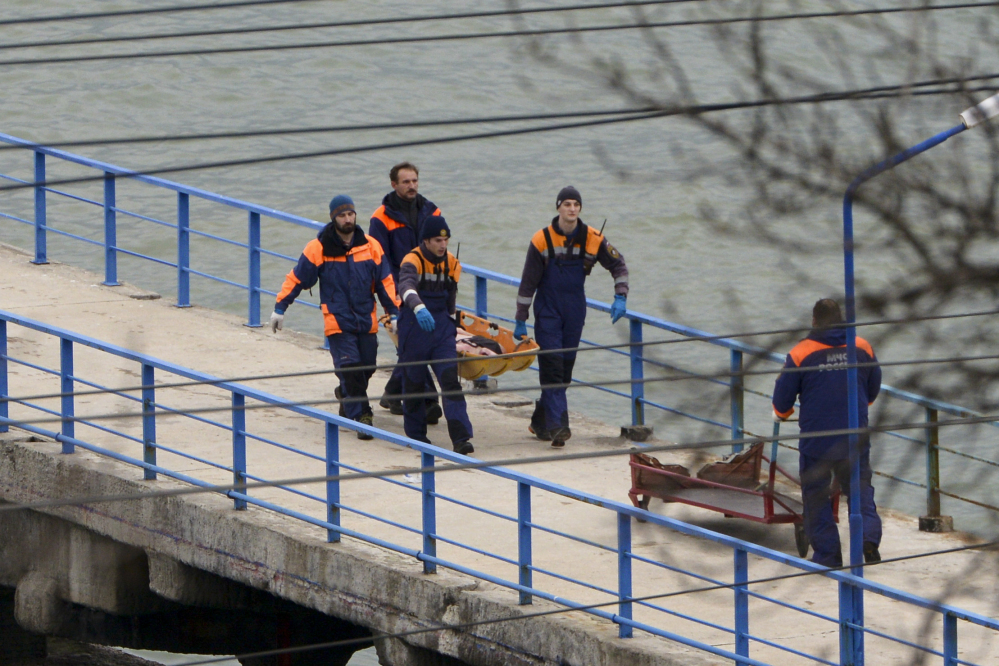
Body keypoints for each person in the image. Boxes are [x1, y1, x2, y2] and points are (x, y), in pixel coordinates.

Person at [270, 195, 400, 440]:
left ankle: (346, 394)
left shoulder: (371, 246)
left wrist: (393, 312)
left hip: (366, 318)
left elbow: (385, 282)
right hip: (337, 320)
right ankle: (363, 417)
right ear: (333, 218)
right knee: (350, 368)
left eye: (350, 214)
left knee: (368, 366)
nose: (347, 219)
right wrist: (280, 307)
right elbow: (297, 278)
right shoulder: (318, 248)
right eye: (342, 215)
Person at [513, 186, 629, 447]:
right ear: (558, 207)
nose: (572, 209)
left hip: (575, 309)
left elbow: (619, 265)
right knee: (552, 367)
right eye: (567, 204)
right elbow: (528, 283)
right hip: (548, 310)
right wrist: (521, 318)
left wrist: (620, 295)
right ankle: (559, 427)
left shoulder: (593, 238)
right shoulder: (541, 240)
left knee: (564, 371)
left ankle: (539, 422)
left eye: (576, 204)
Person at [772, 298, 883, 567]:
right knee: (860, 489)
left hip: (818, 440)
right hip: (855, 434)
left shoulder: (800, 353)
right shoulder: (861, 346)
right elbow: (873, 387)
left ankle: (828, 556)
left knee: (816, 494)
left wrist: (782, 414)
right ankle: (868, 539)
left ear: (814, 321)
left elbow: (782, 402)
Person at [369, 162, 443, 422]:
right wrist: (395, 294)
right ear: (394, 185)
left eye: (414, 181)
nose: (412, 186)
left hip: (429, 289)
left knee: (414, 342)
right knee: (414, 341)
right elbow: (381, 260)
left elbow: (439, 249)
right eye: (406, 182)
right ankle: (429, 400)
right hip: (398, 289)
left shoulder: (432, 211)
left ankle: (392, 392)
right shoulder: (380, 218)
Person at [396, 215, 474, 455]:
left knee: (450, 381)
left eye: (446, 240)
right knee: (414, 384)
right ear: (426, 241)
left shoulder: (452, 263)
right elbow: (405, 286)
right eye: (438, 240)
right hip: (414, 327)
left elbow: (451, 299)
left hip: (441, 330)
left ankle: (461, 438)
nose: (443, 245)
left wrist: (452, 325)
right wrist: (419, 307)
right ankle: (417, 437)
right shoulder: (412, 260)